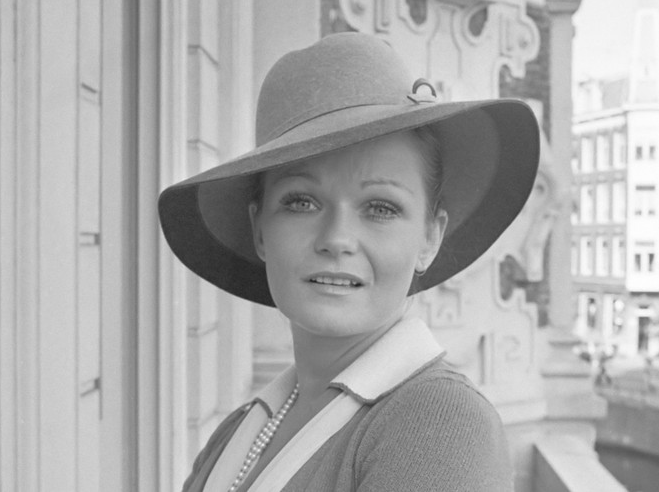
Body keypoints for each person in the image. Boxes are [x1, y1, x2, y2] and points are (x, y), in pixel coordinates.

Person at [159, 32, 539, 492]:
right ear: (260, 230)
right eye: (301, 202)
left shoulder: (440, 427)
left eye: (380, 207)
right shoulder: (238, 431)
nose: (337, 239)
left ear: (429, 237)